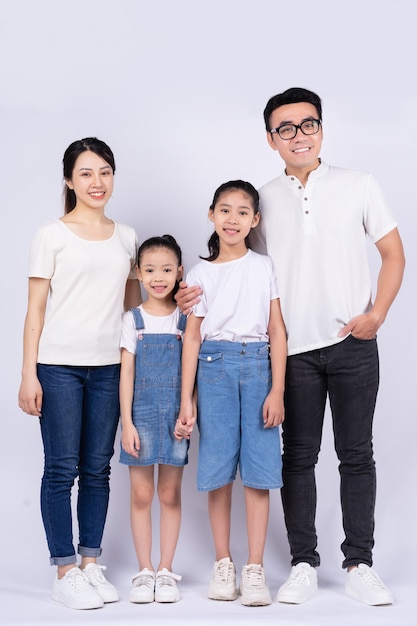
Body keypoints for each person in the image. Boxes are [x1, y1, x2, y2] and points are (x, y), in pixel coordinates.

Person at [176, 88, 405, 607]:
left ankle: (359, 562)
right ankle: (303, 561)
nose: (298, 135)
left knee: (357, 455)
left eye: (308, 124)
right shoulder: (262, 199)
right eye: (286, 128)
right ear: (270, 138)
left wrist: (377, 315)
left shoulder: (359, 185)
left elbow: (393, 254)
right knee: (296, 459)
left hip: (353, 344)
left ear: (321, 129)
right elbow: (235, 265)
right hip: (291, 353)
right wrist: (193, 289)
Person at [18, 137, 141, 610]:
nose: (97, 182)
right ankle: (64, 568)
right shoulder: (51, 234)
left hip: (110, 367)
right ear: (69, 180)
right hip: (60, 367)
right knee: (60, 469)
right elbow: (34, 312)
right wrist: (29, 374)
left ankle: (91, 563)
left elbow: (134, 308)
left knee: (97, 470)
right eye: (86, 173)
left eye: (105, 172)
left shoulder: (126, 236)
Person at [175, 180, 287, 607]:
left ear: (255, 220)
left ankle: (254, 567)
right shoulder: (200, 273)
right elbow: (192, 339)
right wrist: (188, 398)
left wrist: (277, 389)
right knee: (218, 469)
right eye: (225, 210)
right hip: (215, 369)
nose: (233, 219)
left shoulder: (264, 265)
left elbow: (277, 329)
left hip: (259, 364)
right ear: (211, 215)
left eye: (243, 212)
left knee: (259, 471)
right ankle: (223, 563)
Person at [119, 235, 189, 604]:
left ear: (179, 272)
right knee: (142, 493)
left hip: (176, 415)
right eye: (149, 270)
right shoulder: (132, 320)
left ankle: (166, 569)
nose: (158, 277)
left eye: (166, 269)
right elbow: (126, 374)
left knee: (169, 493)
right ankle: (144, 570)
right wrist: (126, 423)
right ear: (138, 273)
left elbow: (190, 370)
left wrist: (188, 409)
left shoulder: (185, 319)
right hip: (141, 415)